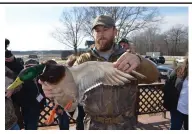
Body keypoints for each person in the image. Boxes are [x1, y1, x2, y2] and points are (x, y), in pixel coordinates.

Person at [41, 15, 159, 129]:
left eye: (105, 29)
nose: (101, 34)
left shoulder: (128, 57)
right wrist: (55, 92)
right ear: (93, 33)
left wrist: (140, 60)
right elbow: (71, 99)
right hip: (94, 125)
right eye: (97, 31)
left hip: (125, 125)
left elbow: (153, 76)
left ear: (115, 31)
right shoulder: (83, 60)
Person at [168, 57, 188, 130]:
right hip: (177, 107)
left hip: (184, 109)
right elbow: (174, 89)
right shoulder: (177, 74)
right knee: (175, 127)